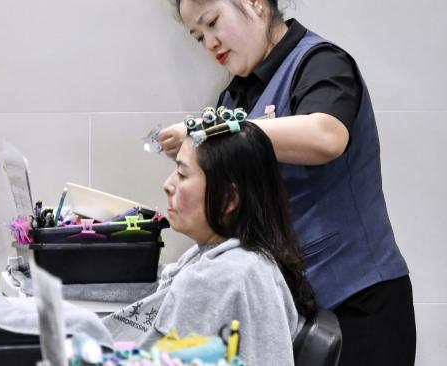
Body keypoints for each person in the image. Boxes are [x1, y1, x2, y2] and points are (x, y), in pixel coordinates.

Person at [159, 0, 414, 365]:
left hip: (359, 302)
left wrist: (213, 129)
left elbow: (326, 137)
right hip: (289, 308)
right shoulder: (234, 97)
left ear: (252, 0)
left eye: (213, 23)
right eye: (199, 37)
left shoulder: (321, 63)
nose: (210, 44)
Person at [104, 121, 315, 366]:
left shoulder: (219, 278)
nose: (168, 185)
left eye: (182, 174)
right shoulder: (251, 258)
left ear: (228, 199)